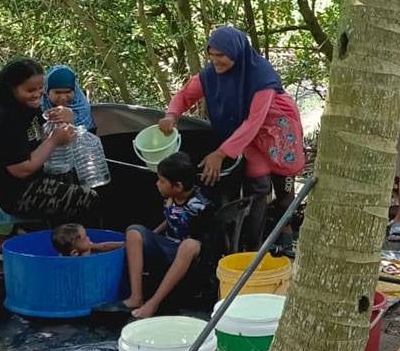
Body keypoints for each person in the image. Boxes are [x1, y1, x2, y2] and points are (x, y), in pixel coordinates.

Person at [160, 26, 304, 250]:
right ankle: (254, 248)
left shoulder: (261, 76)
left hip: (277, 128)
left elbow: (254, 121)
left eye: (221, 55)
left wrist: (220, 153)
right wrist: (172, 115)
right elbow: (185, 95)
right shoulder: (211, 75)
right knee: (258, 185)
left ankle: (285, 230)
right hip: (247, 135)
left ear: (236, 52)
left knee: (284, 185)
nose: (215, 61)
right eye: (211, 55)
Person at [0, 58, 99, 226]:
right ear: (12, 88)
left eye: (41, 88)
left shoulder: (28, 107)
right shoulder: (1, 118)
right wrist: (54, 140)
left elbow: (42, 136)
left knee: (83, 179)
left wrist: (66, 119)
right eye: (30, 90)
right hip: (12, 193)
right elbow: (22, 169)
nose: (37, 94)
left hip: (32, 178)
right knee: (88, 199)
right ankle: (76, 239)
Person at [122, 152, 216, 318]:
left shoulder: (201, 207)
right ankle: (136, 296)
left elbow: (205, 243)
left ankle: (153, 303)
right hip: (168, 246)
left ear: (177, 186)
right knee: (134, 231)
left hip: (188, 257)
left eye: (162, 181)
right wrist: (148, 237)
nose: (157, 184)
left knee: (188, 245)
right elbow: (171, 219)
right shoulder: (171, 197)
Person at [42, 65, 96, 133]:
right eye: (58, 92)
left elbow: (87, 135)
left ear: (74, 91)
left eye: (68, 92)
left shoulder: (82, 109)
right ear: (47, 91)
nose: (63, 97)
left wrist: (71, 119)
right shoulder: (38, 106)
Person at [51, 223, 123, 256]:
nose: (88, 238)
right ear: (74, 253)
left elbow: (103, 246)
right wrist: (87, 252)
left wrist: (123, 244)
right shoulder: (83, 259)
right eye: (85, 238)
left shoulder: (84, 248)